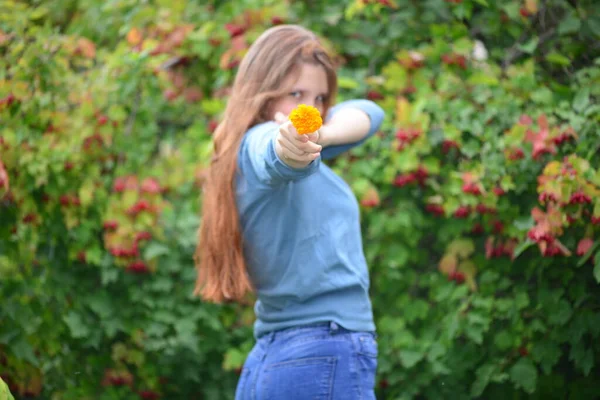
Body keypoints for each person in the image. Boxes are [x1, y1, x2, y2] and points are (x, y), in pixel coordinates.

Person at [194, 24, 385, 399]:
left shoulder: (248, 145)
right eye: (295, 94)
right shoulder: (259, 143)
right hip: (321, 350)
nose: (309, 108)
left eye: (319, 98)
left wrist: (322, 134)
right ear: (262, 95)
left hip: (281, 356)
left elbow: (370, 114)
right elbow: (277, 155)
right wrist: (291, 147)